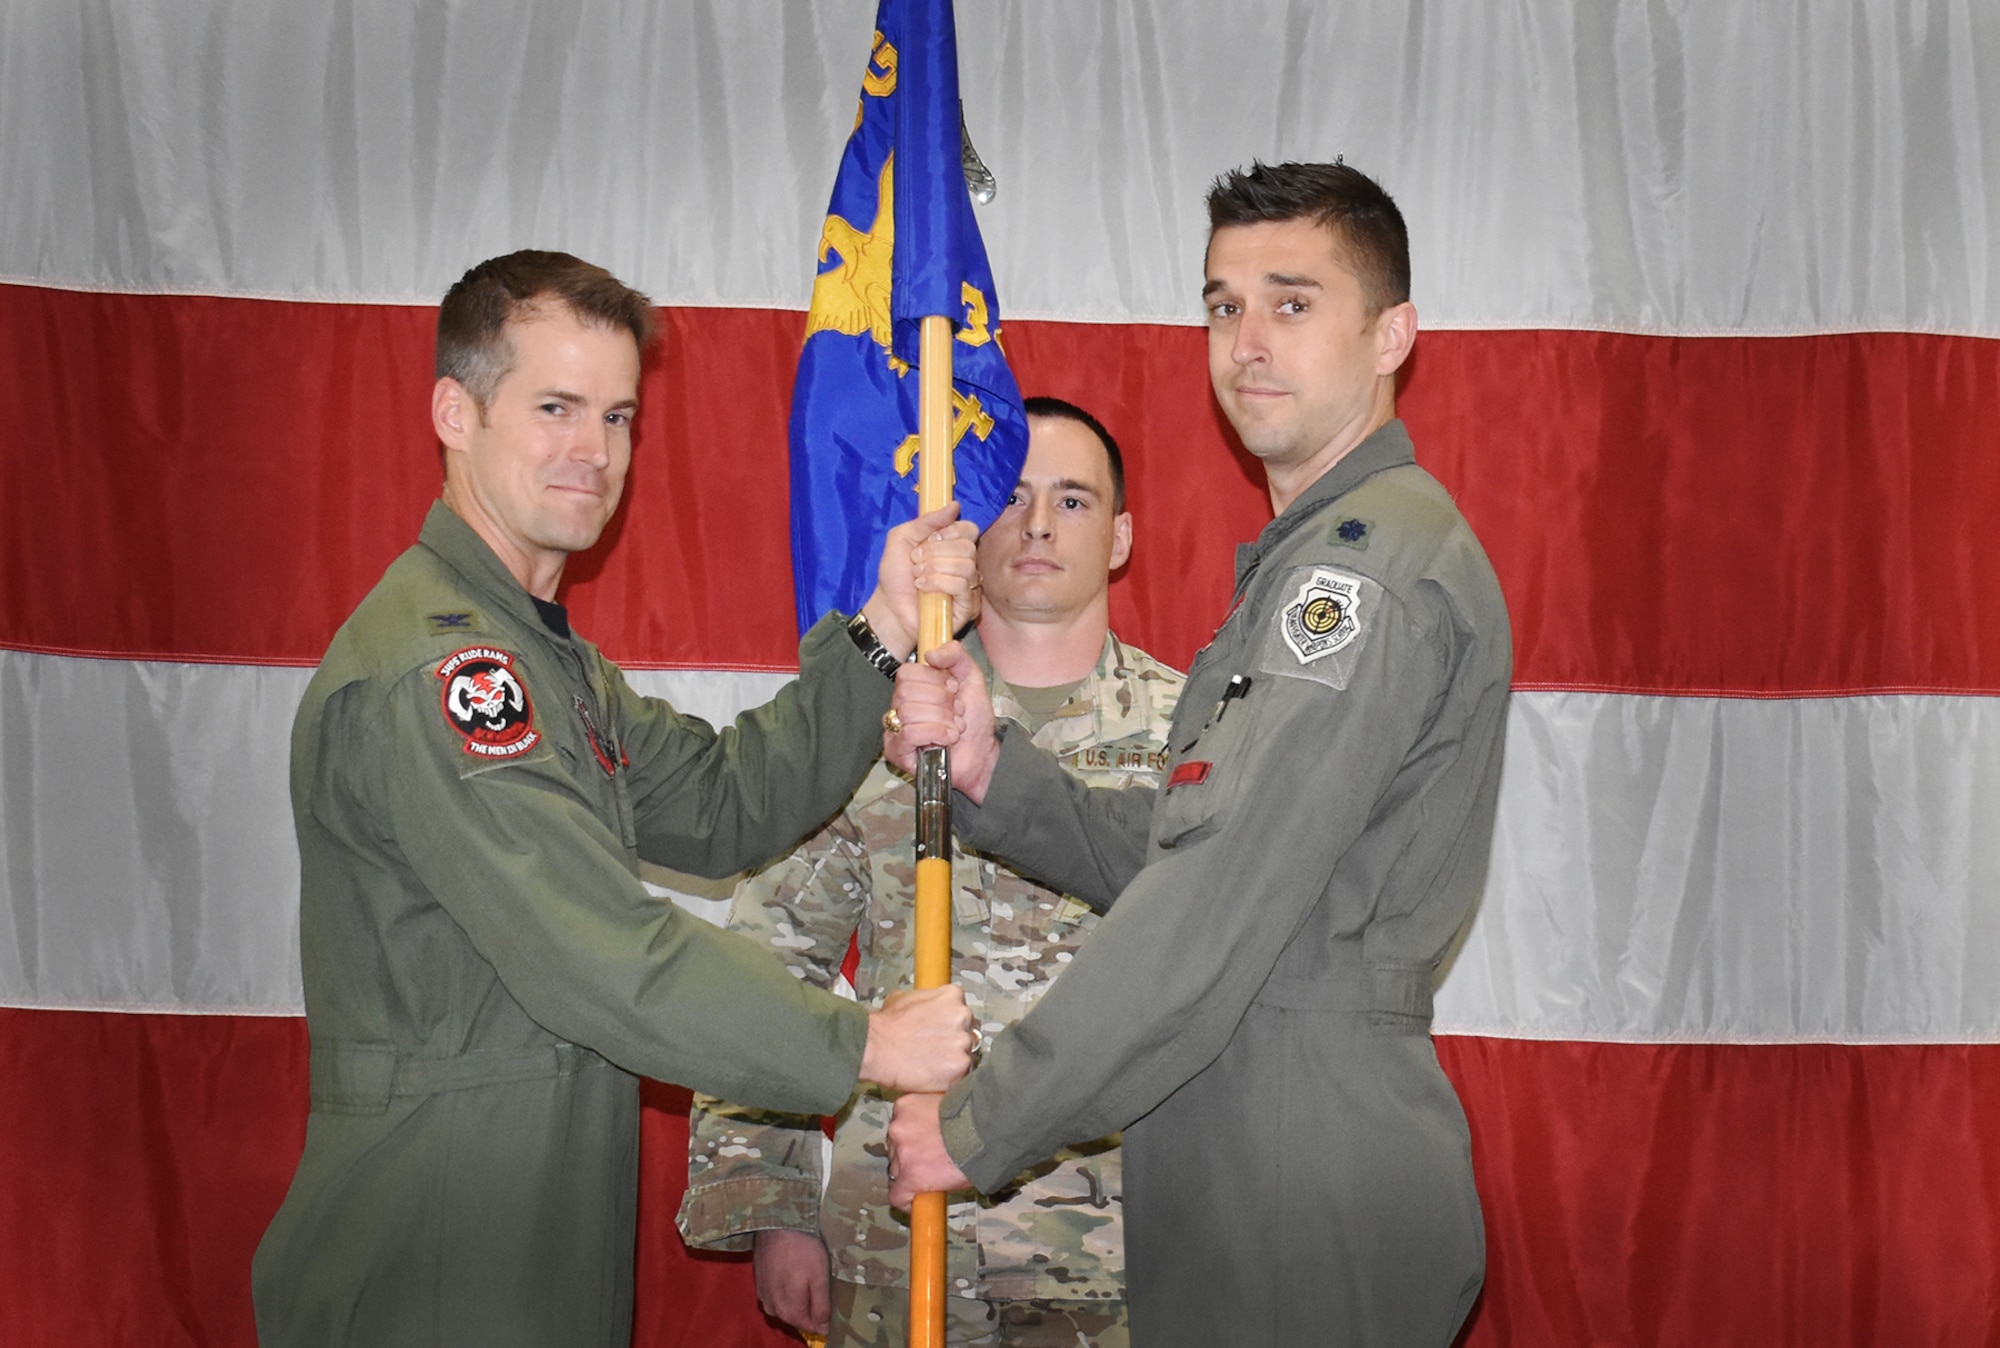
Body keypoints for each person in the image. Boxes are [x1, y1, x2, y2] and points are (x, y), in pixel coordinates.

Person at [250, 250, 982, 1347]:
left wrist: (877, 629)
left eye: (618, 415)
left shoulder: (546, 660)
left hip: (515, 1240)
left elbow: (728, 801)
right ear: (455, 410)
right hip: (436, 1256)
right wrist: (861, 1043)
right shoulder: (447, 674)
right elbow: (601, 954)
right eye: (554, 407)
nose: (593, 452)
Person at [883, 162, 1514, 1347]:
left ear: (1391, 334)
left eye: (1291, 301)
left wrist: (983, 1122)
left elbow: (1213, 896)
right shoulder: (1310, 556)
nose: (1246, 343)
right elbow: (1195, 844)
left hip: (1298, 1173)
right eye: (1222, 305)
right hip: (1255, 1152)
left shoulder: (1357, 573)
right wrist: (992, 775)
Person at [680, 398, 1183, 1347]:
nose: (1036, 525)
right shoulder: (878, 721)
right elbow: (769, 958)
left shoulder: (1192, 737)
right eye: (1012, 498)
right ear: (961, 530)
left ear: (1120, 537)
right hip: (898, 1233)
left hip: (1119, 1238)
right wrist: (777, 1199)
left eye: (1073, 501)